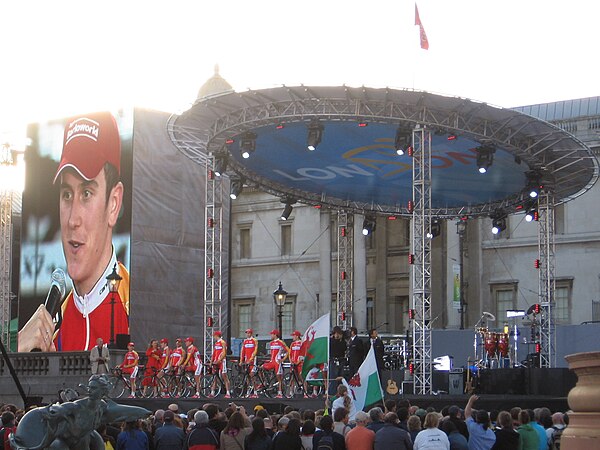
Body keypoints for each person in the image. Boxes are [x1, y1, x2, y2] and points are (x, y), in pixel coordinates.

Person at [18, 111, 129, 352]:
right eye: (67, 194)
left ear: (114, 203)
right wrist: (15, 353)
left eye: (87, 193)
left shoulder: (133, 305)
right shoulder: (52, 331)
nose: (71, 220)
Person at [261, 329, 289, 398]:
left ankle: (280, 393)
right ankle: (264, 382)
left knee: (279, 378)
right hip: (272, 361)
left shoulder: (281, 342)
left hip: (277, 362)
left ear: (275, 335)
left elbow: (288, 351)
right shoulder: (271, 343)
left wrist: (282, 359)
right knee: (260, 367)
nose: (271, 335)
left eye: (272, 334)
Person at [209, 330, 231, 398]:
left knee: (224, 376)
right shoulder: (216, 343)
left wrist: (219, 360)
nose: (214, 337)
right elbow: (214, 353)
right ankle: (212, 393)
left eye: (214, 336)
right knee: (215, 376)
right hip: (216, 361)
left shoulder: (223, 342)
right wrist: (211, 361)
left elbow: (224, 353)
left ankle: (228, 393)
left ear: (216, 335)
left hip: (222, 361)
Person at [240, 328, 259, 398]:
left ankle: (255, 392)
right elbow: (242, 351)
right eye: (246, 333)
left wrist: (251, 359)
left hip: (252, 360)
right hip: (246, 360)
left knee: (252, 375)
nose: (247, 334)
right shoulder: (245, 341)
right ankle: (248, 392)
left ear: (251, 333)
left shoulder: (254, 340)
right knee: (247, 376)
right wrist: (241, 361)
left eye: (248, 333)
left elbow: (255, 351)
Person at [288, 330, 307, 398]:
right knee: (292, 378)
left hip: (300, 363)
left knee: (302, 377)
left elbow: (303, 354)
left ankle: (305, 393)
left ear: (297, 336)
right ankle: (291, 392)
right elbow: (290, 354)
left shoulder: (302, 343)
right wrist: (291, 361)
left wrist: (298, 362)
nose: (293, 337)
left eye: (294, 336)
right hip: (293, 363)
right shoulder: (292, 344)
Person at [329, 327, 347, 395]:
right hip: (333, 360)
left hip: (341, 359)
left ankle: (340, 391)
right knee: (333, 377)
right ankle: (332, 392)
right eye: (336, 333)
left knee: (341, 376)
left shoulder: (343, 342)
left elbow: (344, 349)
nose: (337, 335)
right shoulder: (331, 341)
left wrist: (341, 339)